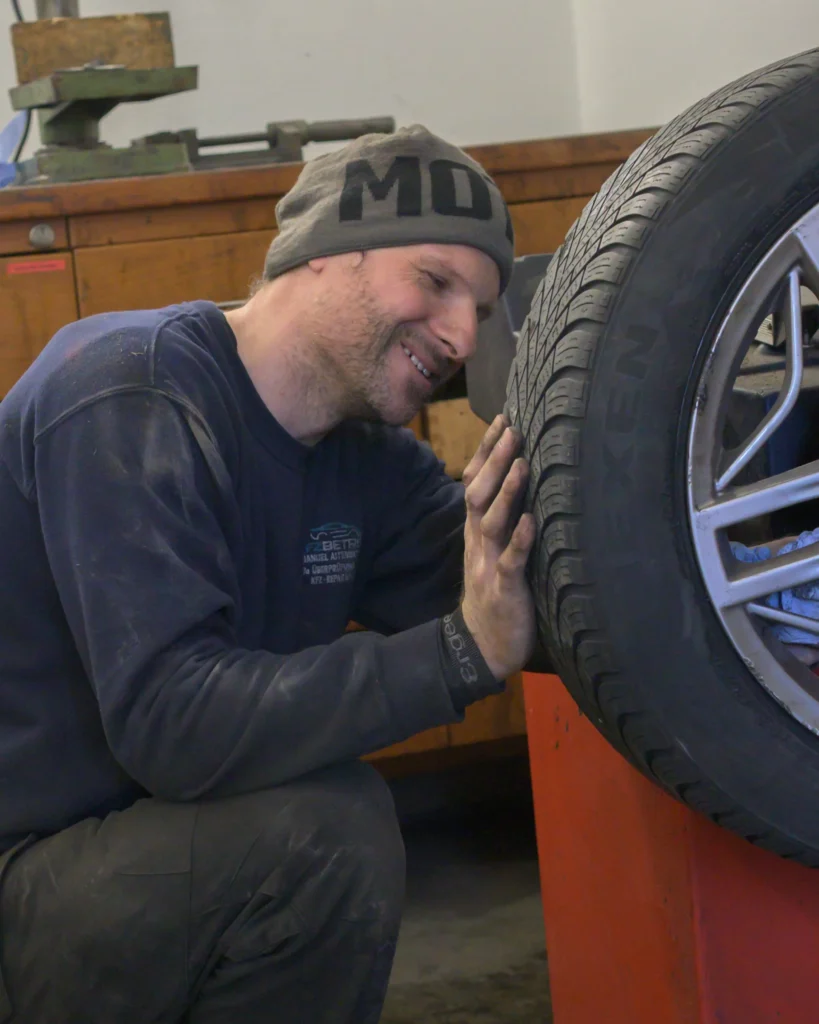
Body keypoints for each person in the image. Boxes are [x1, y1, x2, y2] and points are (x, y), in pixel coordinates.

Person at [0, 125, 536, 1022]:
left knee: (321, 822)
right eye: (436, 282)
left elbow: (519, 589)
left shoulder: (363, 457)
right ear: (326, 255)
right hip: (31, 866)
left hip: (150, 856)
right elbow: (174, 723)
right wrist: (458, 653)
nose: (458, 336)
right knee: (323, 833)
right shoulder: (132, 392)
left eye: (479, 312)